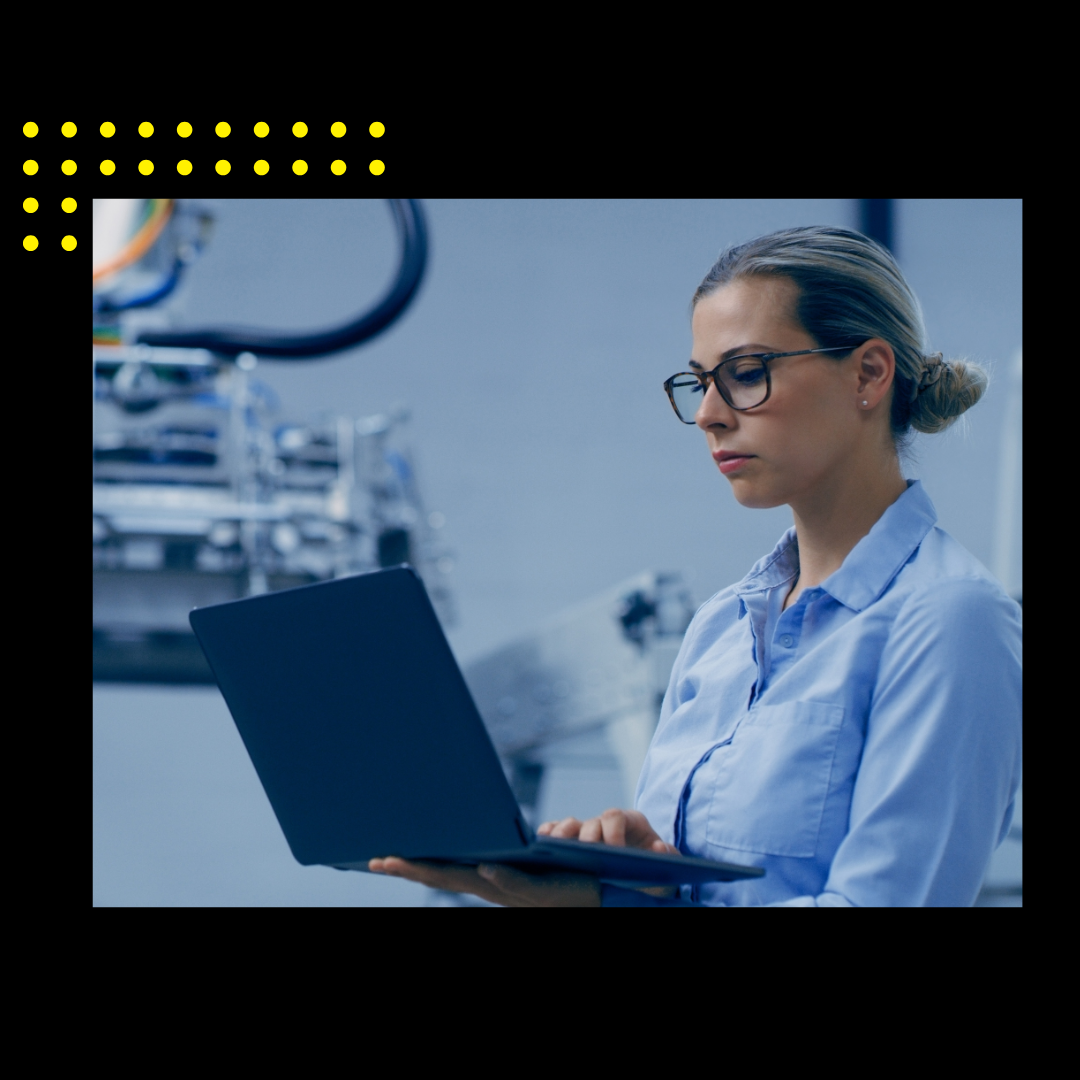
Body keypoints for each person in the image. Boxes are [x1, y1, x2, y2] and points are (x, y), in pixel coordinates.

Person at [369, 225, 1023, 907]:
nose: (708, 415)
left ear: (868, 374)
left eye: (745, 374)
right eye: (700, 383)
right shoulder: (723, 628)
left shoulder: (952, 621)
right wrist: (623, 867)